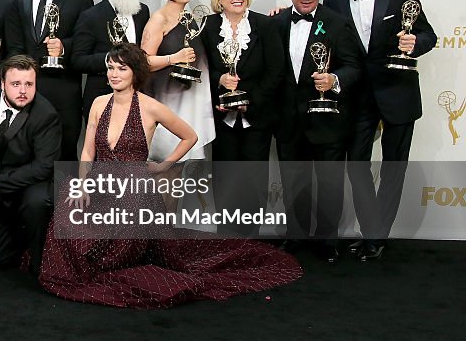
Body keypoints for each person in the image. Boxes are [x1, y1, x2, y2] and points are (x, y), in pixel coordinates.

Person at [40, 45, 303, 308]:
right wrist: (83, 186)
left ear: (135, 72)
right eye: (110, 68)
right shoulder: (98, 103)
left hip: (134, 189)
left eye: (122, 68)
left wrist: (164, 165)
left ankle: (105, 262)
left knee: (118, 230)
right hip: (100, 182)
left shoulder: (151, 107)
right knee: (67, 202)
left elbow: (190, 136)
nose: (114, 74)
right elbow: (87, 151)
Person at [322, 0, 436, 261]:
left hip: (398, 93)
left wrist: (414, 43)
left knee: (393, 167)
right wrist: (281, 18)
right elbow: (320, 34)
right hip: (357, 97)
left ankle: (377, 236)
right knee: (357, 165)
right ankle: (372, 229)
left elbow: (428, 34)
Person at [273, 0, 362, 263]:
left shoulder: (336, 23)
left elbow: (353, 66)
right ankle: (295, 235)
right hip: (289, 120)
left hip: (328, 119)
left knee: (330, 183)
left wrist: (334, 80)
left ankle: (327, 240)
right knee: (293, 182)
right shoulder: (277, 22)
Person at [201, 0, 283, 237]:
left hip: (256, 117)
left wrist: (251, 100)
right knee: (225, 178)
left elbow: (276, 70)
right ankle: (226, 238)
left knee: (254, 179)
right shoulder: (208, 26)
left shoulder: (264, 25)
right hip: (222, 117)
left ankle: (250, 240)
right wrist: (220, 79)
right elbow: (200, 67)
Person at [0, 55, 61, 275]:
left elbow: (43, 167)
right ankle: (18, 238)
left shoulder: (45, 115)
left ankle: (38, 253)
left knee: (37, 201)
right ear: (2, 84)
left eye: (29, 84)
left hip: (29, 180)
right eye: (15, 84)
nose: (23, 90)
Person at [7, 0, 93, 160]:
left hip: (64, 91)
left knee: (64, 155)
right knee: (22, 152)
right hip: (23, 90)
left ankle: (67, 195)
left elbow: (86, 41)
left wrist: (65, 46)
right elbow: (11, 42)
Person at [141, 0, 216, 161]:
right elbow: (144, 61)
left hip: (192, 101)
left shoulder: (189, 18)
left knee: (189, 165)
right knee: (168, 165)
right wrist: (174, 58)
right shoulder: (159, 19)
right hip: (166, 102)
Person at [72, 0, 150, 120]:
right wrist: (113, 59)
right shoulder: (90, 16)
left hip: (137, 96)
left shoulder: (143, 12)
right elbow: (78, 60)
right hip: (103, 97)